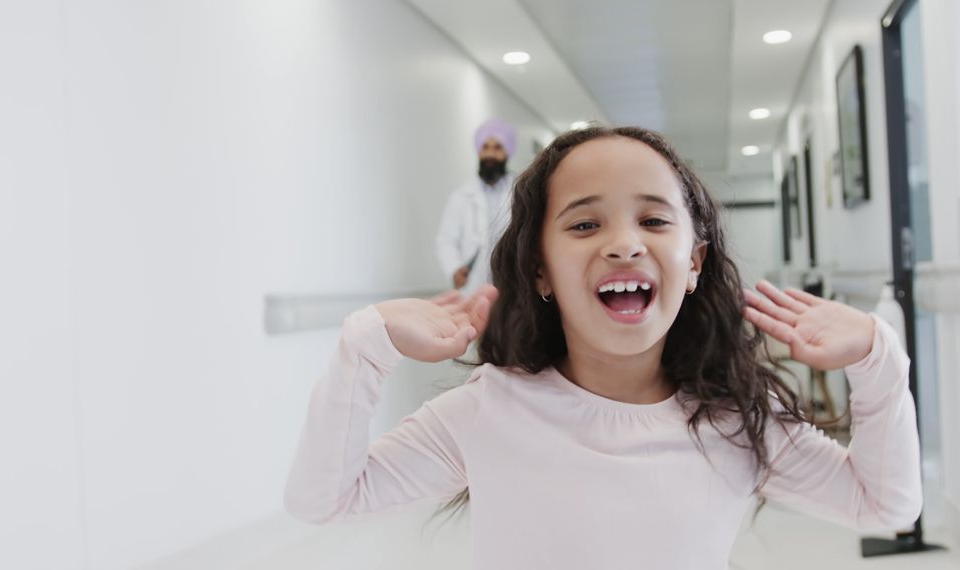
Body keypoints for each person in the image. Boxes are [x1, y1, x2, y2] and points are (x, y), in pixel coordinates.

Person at [284, 126, 922, 569]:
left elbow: (886, 503)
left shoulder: (733, 421)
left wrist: (877, 360)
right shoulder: (491, 411)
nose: (624, 244)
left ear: (694, 261)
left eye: (653, 219)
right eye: (585, 224)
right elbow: (325, 499)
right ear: (539, 270)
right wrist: (365, 346)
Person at [435, 118, 517, 293]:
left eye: (497, 148)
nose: (490, 154)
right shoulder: (461, 197)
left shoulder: (521, 193)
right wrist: (454, 268)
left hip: (513, 286)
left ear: (507, 152)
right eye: (485, 147)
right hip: (472, 288)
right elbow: (445, 241)